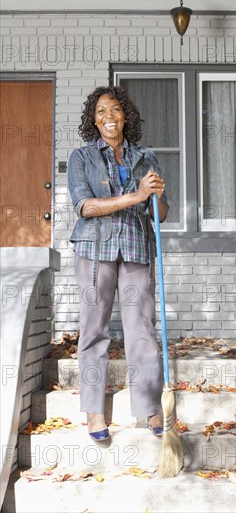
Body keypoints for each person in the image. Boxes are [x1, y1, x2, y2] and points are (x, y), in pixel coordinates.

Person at [67, 86, 169, 442]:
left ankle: (150, 404)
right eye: (100, 112)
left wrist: (155, 195)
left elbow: (161, 213)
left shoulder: (146, 157)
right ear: (93, 120)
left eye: (114, 110)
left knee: (142, 329)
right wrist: (136, 195)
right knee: (94, 331)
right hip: (94, 251)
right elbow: (85, 207)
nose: (108, 117)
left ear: (126, 115)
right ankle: (95, 410)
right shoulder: (82, 158)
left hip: (137, 247)